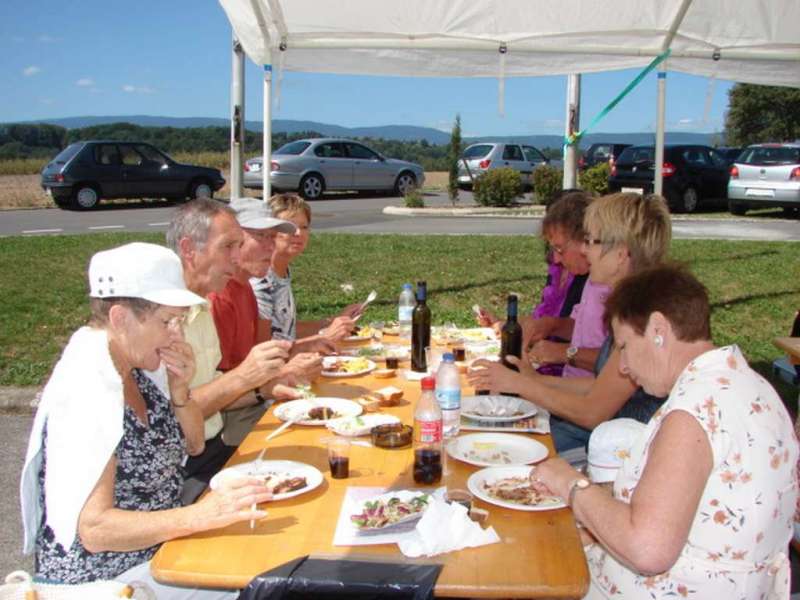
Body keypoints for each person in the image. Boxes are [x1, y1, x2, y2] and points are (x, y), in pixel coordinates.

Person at [529, 265, 798, 598]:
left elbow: (648, 549)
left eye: (624, 346)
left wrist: (569, 483)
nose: (623, 366)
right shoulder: (752, 387)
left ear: (658, 329)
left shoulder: (694, 413)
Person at [20, 243, 270, 598]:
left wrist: (180, 391)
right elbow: (95, 529)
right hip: (110, 580)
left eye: (180, 321)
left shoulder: (135, 369)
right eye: (167, 321)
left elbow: (194, 444)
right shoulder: (88, 388)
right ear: (120, 318)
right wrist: (197, 517)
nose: (177, 335)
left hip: (158, 556)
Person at [468, 193, 671, 452]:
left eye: (591, 241)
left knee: (492, 445)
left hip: (610, 450)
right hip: (595, 434)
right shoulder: (632, 302)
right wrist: (532, 380)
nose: (585, 250)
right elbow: (599, 387)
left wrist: (521, 384)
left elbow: (593, 413)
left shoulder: (641, 317)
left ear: (621, 254)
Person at [166, 199, 290, 502]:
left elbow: (216, 390)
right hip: (182, 468)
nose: (236, 258)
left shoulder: (204, 304)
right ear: (188, 249)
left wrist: (264, 386)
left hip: (210, 451)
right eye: (228, 247)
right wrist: (249, 379)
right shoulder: (163, 320)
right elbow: (173, 418)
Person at [209, 197, 324, 446]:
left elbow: (262, 358)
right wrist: (279, 376)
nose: (270, 247)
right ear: (232, 243)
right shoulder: (219, 298)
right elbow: (219, 391)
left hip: (251, 403)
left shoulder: (245, 289)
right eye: (261, 237)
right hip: (227, 429)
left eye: (272, 238)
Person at [476, 191, 602, 376]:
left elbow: (617, 363)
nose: (556, 259)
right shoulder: (593, 281)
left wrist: (564, 353)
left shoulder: (615, 287)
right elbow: (583, 328)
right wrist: (550, 325)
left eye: (559, 248)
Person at [250, 193, 362, 342]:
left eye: (304, 227)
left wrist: (333, 321)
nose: (298, 233)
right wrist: (324, 337)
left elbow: (287, 329)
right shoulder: (261, 280)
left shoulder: (283, 271)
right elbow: (263, 347)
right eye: (289, 227)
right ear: (270, 230)